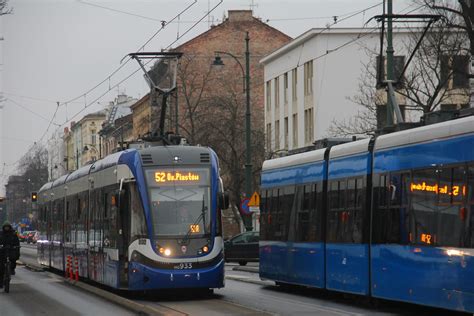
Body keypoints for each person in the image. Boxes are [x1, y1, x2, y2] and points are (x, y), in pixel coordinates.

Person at [0, 221, 20, 287]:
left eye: (7, 227)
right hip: (3, 250)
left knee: (13, 259)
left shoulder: (13, 234)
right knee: (1, 267)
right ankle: (1, 282)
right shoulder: (1, 234)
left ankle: (12, 269)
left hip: (11, 250)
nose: (6, 228)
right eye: (5, 227)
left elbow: (17, 242)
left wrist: (16, 246)